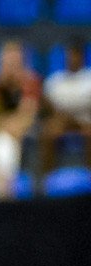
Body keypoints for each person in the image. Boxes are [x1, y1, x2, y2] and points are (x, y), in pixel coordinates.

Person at [38, 42, 91, 176]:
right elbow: (47, 106)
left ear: (82, 57)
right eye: (70, 55)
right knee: (47, 132)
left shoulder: (88, 78)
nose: (72, 58)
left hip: (86, 122)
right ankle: (46, 179)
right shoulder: (55, 81)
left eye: (75, 55)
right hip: (61, 122)